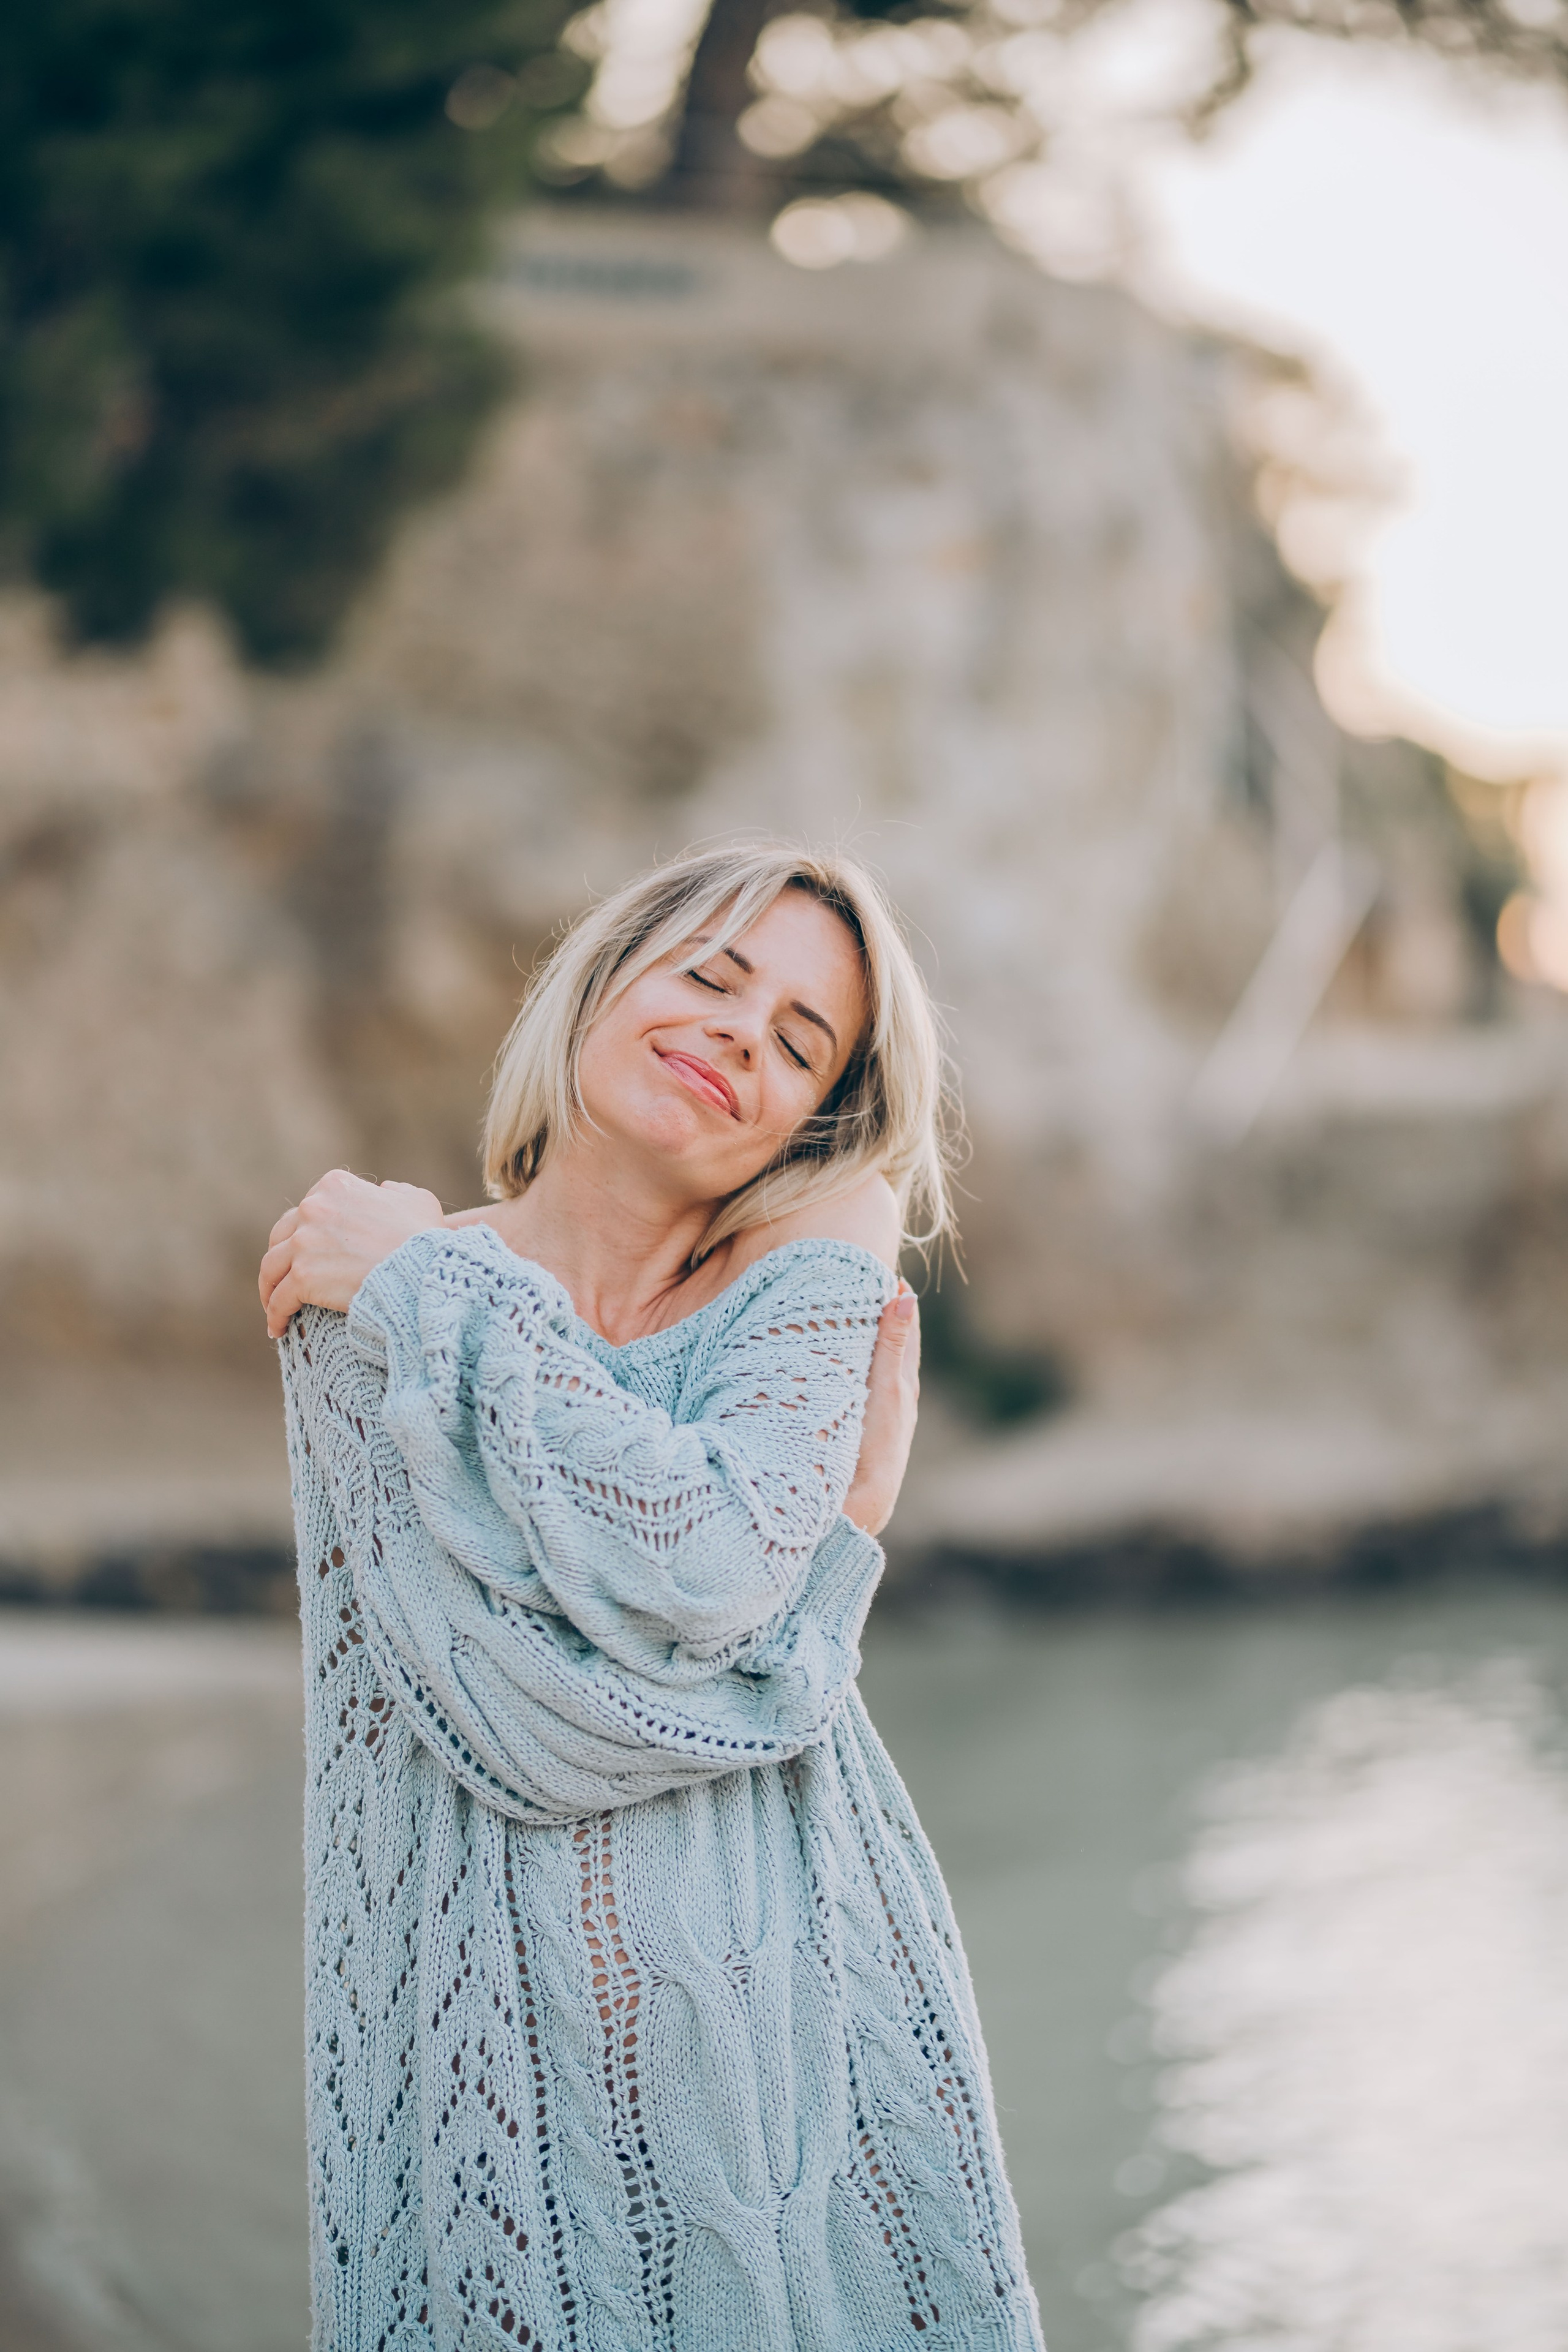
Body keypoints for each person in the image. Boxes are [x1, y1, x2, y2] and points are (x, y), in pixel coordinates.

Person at [260, 843, 1044, 2352]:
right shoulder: (363, 1292)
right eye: (713, 977)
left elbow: (706, 1561)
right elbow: (511, 1718)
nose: (745, 1034)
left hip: (801, 2048)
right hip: (483, 2062)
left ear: (806, 1123)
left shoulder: (812, 1245)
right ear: (607, 977)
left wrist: (432, 1291)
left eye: (801, 1043)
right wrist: (821, 1583)